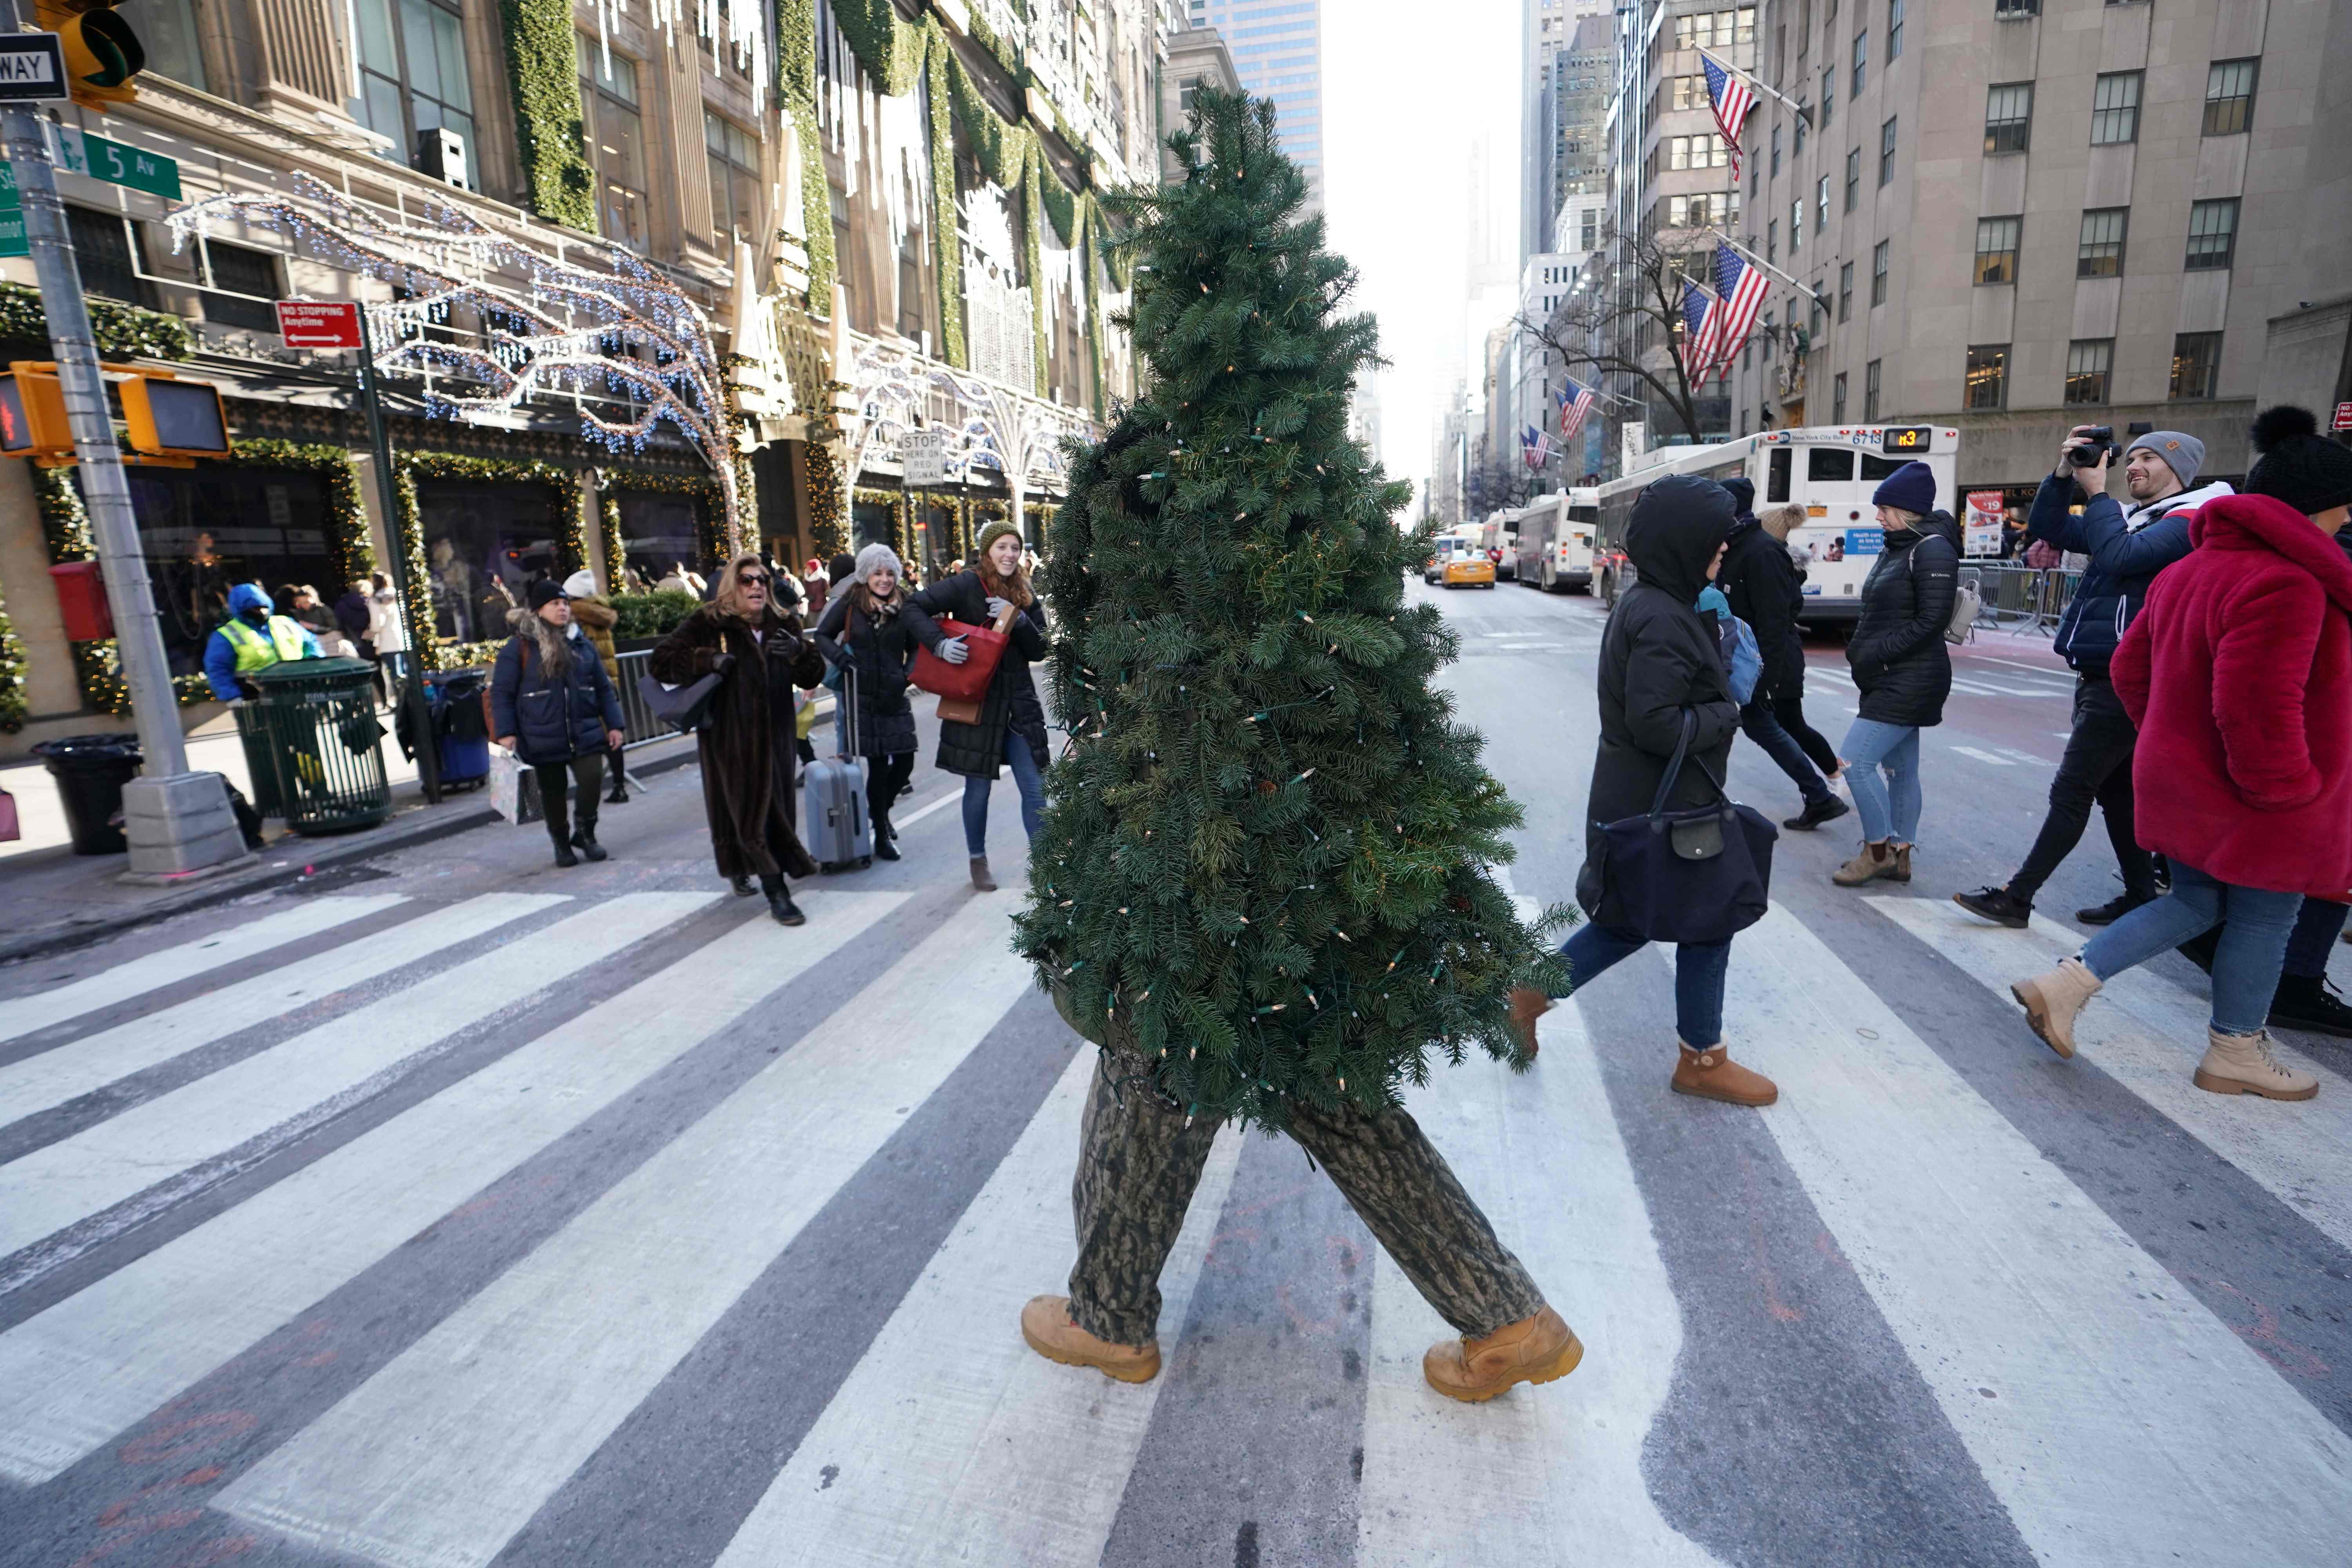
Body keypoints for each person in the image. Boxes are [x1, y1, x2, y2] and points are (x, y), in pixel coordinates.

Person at [2008, 407, 2352, 1102]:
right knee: (2264, 915)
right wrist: (2288, 790)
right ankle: (2236, 1050)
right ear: (2324, 508)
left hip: (2190, 777)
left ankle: (2066, 983)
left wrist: (2176, 740)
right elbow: (2257, 706)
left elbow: (2133, 670)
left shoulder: (2195, 567)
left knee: (2195, 901)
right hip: (2263, 793)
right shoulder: (2289, 581)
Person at [1506, 475, 1777, 1106]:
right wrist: (1726, 712)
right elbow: (1656, 724)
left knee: (1638, 923)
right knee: (1699, 923)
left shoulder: (1665, 602)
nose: (1723, 552)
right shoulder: (1659, 615)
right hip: (1664, 803)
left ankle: (1530, 996)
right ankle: (1701, 1060)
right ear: (1684, 544)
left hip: (1655, 801)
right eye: (1715, 542)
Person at [1953, 429, 2233, 930]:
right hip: (2101, 671)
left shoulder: (2191, 521)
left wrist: (2099, 492)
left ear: (2180, 469)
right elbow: (2048, 526)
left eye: (2150, 458)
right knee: (2117, 791)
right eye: (2133, 457)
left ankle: (2018, 897)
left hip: (2132, 678)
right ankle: (2141, 893)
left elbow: (2123, 557)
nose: (2134, 466)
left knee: (2074, 789)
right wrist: (2063, 476)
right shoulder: (2131, 518)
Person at [650, 550, 826, 925]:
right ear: (733, 587)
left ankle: (740, 865)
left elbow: (813, 675)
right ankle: (777, 891)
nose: (757, 586)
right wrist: (707, 660)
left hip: (777, 736)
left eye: (763, 580)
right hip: (728, 738)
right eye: (748, 580)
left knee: (771, 807)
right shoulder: (709, 622)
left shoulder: (785, 625)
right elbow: (661, 660)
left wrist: (799, 654)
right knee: (755, 812)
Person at [1831, 462, 1957, 887]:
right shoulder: (1901, 545)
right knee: (1901, 771)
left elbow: (1933, 618)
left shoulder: (1933, 547)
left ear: (1908, 510)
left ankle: (1878, 851)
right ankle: (1901, 855)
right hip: (1894, 675)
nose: (1878, 516)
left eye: (1885, 508)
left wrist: (1878, 654)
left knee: (1855, 761)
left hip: (1908, 677)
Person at [906, 520, 1049, 892]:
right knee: (979, 790)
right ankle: (977, 860)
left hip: (1019, 706)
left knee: (1034, 790)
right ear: (987, 552)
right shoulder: (967, 584)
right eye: (1002, 547)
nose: (1009, 554)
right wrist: (938, 644)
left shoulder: (1025, 592)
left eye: (1015, 548)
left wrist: (1013, 617)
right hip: (977, 702)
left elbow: (1041, 649)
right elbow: (913, 607)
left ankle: (1046, 867)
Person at [1716, 480, 1848, 833]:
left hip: (1766, 663)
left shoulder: (1761, 552)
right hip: (1752, 661)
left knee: (1773, 725)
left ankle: (1822, 793)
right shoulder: (1740, 547)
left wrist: (1766, 680)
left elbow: (1774, 623)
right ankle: (1821, 795)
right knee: (1769, 726)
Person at [490, 582, 626, 869]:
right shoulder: (521, 647)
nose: (563, 608)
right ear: (539, 610)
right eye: (555, 604)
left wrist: (615, 725)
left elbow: (603, 688)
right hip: (541, 734)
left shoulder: (581, 642)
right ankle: (562, 843)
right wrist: (506, 733)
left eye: (565, 604)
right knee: (553, 794)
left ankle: (586, 834)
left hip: (585, 731)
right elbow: (502, 693)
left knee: (592, 779)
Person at [813, 543, 922, 861]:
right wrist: (839, 659)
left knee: (904, 764)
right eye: (878, 573)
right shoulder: (851, 602)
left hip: (895, 693)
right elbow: (821, 635)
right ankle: (881, 835)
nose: (885, 579)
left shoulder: (905, 603)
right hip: (862, 696)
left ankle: (881, 813)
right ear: (865, 575)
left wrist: (908, 674)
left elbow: (916, 645)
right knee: (877, 767)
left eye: (890, 573)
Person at [563, 568, 631, 805]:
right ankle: (620, 785)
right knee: (612, 734)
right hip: (608, 680)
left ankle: (617, 787)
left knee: (606, 735)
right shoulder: (600, 613)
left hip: (594, 683)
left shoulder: (581, 619)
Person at [203, 582, 319, 702]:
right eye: (256, 609)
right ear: (242, 610)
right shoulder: (226, 635)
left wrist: (312, 660)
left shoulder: (285, 622)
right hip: (256, 699)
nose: (262, 612)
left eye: (264, 607)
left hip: (299, 691)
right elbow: (218, 669)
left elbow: (311, 642)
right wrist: (232, 696)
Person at [364, 572, 408, 695]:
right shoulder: (396, 595)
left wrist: (370, 634)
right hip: (401, 638)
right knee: (404, 672)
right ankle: (410, 700)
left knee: (395, 675)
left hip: (387, 640)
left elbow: (378, 622)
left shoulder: (376, 599)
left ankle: (402, 703)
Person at [334, 579, 374, 666]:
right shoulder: (372, 603)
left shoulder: (342, 604)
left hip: (352, 641)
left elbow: (338, 624)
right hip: (370, 640)